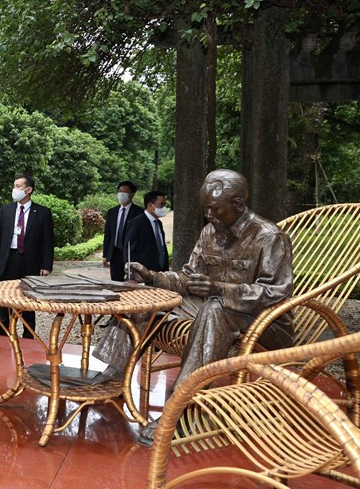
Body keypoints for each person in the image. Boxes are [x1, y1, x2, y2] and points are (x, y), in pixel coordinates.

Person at [99, 170, 294, 444]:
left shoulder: (269, 237)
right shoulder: (210, 232)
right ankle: (113, 375)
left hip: (263, 321)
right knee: (147, 297)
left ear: (238, 205)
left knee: (213, 309)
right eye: (206, 209)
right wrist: (153, 277)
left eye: (214, 209)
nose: (209, 215)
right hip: (213, 311)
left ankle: (181, 409)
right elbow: (188, 278)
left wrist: (219, 289)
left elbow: (277, 292)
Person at [0, 175, 54, 339]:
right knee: (5, 300)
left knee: (28, 302)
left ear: (28, 189)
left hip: (30, 262)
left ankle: (28, 337)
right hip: (9, 260)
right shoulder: (6, 210)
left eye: (18, 186)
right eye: (14, 185)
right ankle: (2, 335)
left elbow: (48, 241)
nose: (14, 190)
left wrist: (46, 265)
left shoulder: (42, 212)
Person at [102, 181, 143, 281]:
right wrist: (105, 255)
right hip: (115, 253)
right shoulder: (112, 212)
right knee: (115, 282)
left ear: (132, 194)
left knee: (131, 283)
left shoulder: (139, 213)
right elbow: (108, 235)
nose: (121, 194)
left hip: (131, 254)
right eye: (120, 191)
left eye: (125, 192)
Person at [124, 190, 169, 273]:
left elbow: (162, 247)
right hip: (143, 273)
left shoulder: (159, 223)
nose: (164, 208)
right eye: (161, 205)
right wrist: (132, 274)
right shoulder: (136, 223)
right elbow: (129, 251)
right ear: (150, 205)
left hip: (160, 272)